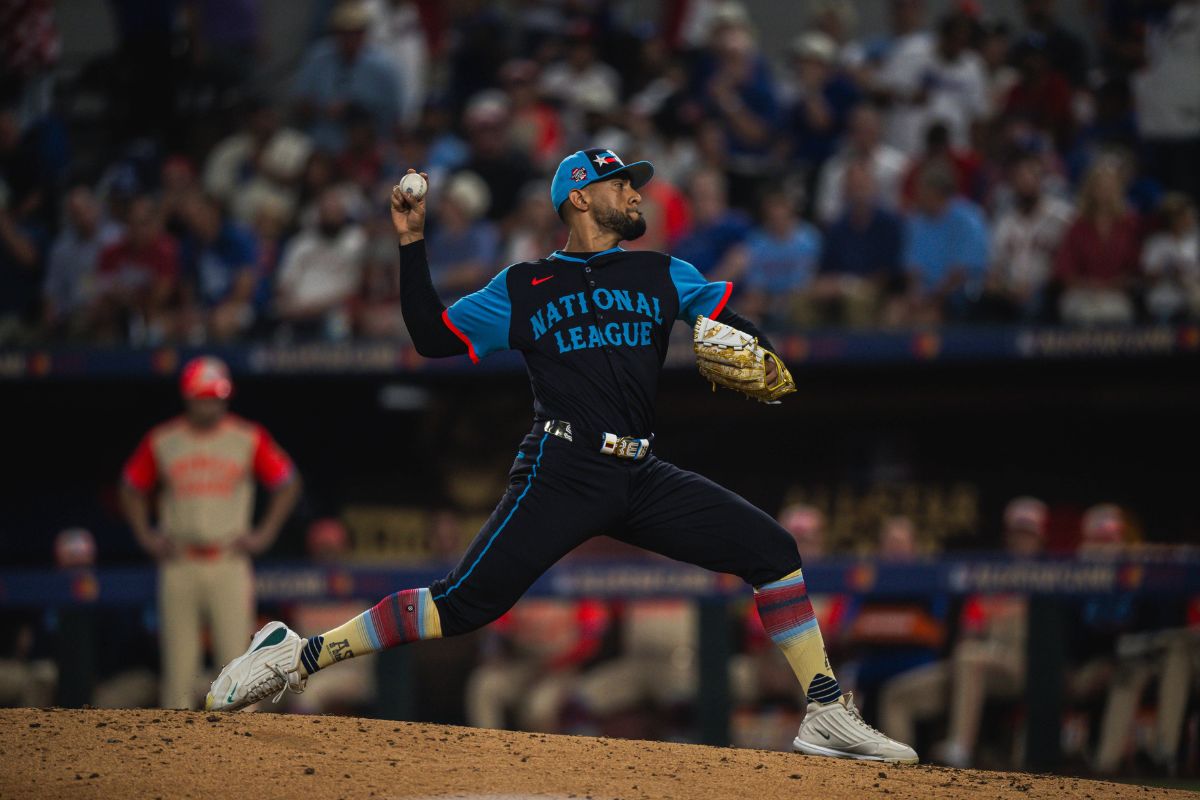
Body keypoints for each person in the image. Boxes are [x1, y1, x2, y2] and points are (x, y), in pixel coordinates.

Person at [206, 147, 918, 764]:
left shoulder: (659, 273)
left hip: (639, 472)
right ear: (579, 197)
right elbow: (429, 336)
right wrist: (411, 241)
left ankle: (824, 710)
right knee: (460, 606)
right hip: (562, 468)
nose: (635, 192)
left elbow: (727, 316)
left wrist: (753, 342)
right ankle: (293, 655)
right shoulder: (524, 286)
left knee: (773, 549)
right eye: (621, 183)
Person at [119, 356, 301, 709]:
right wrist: (146, 535)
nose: (213, 403)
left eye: (218, 396)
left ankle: (244, 753)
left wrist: (264, 533)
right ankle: (178, 756)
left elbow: (288, 483)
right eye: (205, 397)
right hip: (179, 561)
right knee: (178, 672)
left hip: (228, 559)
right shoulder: (164, 439)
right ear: (188, 397)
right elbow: (130, 487)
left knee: (241, 664)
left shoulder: (247, 437)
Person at [879, 497, 1048, 768]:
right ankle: (899, 772)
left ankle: (959, 750)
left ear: (1040, 538)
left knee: (970, 657)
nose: (1022, 540)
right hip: (972, 664)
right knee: (897, 695)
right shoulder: (991, 577)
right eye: (1017, 533)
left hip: (1020, 667)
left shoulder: (1053, 575)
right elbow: (970, 629)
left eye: (1028, 534)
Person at [984, 153, 1074, 320]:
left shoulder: (1062, 216)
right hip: (1009, 291)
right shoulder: (1005, 222)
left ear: (1041, 180)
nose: (1026, 182)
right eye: (1020, 178)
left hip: (1048, 289)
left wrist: (1040, 286)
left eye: (1031, 176)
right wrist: (1003, 289)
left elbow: (1072, 261)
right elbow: (993, 271)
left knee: (1032, 305)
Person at [816, 158, 904, 326]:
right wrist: (828, 285)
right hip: (839, 289)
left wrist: (850, 286)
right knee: (802, 301)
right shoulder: (837, 227)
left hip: (879, 290)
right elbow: (825, 269)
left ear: (873, 188)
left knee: (856, 301)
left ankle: (861, 352)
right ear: (845, 192)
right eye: (852, 187)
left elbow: (891, 271)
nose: (857, 192)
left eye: (862, 186)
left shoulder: (889, 224)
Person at [1054, 158, 1142, 326]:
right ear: (1091, 189)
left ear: (1118, 189)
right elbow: (1064, 271)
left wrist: (1114, 285)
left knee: (1116, 312)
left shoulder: (1129, 225)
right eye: (1100, 186)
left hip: (1116, 293)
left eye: (1110, 186)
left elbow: (1137, 269)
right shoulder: (1077, 226)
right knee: (1084, 313)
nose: (1105, 190)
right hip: (1082, 293)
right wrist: (1089, 285)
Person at [900, 161, 989, 323]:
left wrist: (932, 300)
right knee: (895, 314)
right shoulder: (917, 220)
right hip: (926, 296)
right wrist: (914, 296)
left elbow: (961, 273)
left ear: (937, 193)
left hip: (959, 295)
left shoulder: (969, 219)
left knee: (926, 320)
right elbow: (914, 268)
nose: (918, 196)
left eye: (922, 191)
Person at [1143, 193, 1200, 322]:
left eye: (1192, 217)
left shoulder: (1194, 242)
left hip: (1190, 300)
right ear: (1174, 219)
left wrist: (1187, 276)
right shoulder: (1157, 243)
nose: (1191, 220)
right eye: (1186, 217)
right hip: (1163, 300)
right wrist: (1168, 270)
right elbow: (1148, 277)